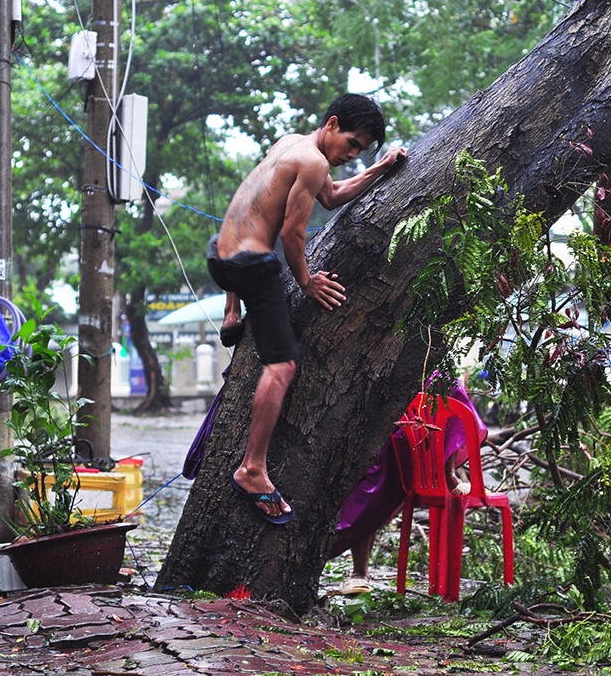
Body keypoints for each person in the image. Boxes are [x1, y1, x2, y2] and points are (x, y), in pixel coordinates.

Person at [207, 93, 408, 524]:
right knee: (281, 366)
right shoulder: (314, 162)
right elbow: (292, 234)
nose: (351, 155)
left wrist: (379, 168)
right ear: (331, 124)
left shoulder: (291, 144)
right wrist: (307, 281)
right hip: (249, 268)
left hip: (220, 257)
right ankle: (252, 469)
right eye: (351, 143)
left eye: (360, 151)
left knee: (246, 233)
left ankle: (231, 313)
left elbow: (331, 197)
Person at [331, 376, 486, 595]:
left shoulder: (439, 379)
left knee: (446, 383)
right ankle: (358, 572)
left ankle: (359, 572)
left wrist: (447, 471)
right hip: (390, 448)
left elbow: (457, 411)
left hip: (419, 456)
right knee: (366, 482)